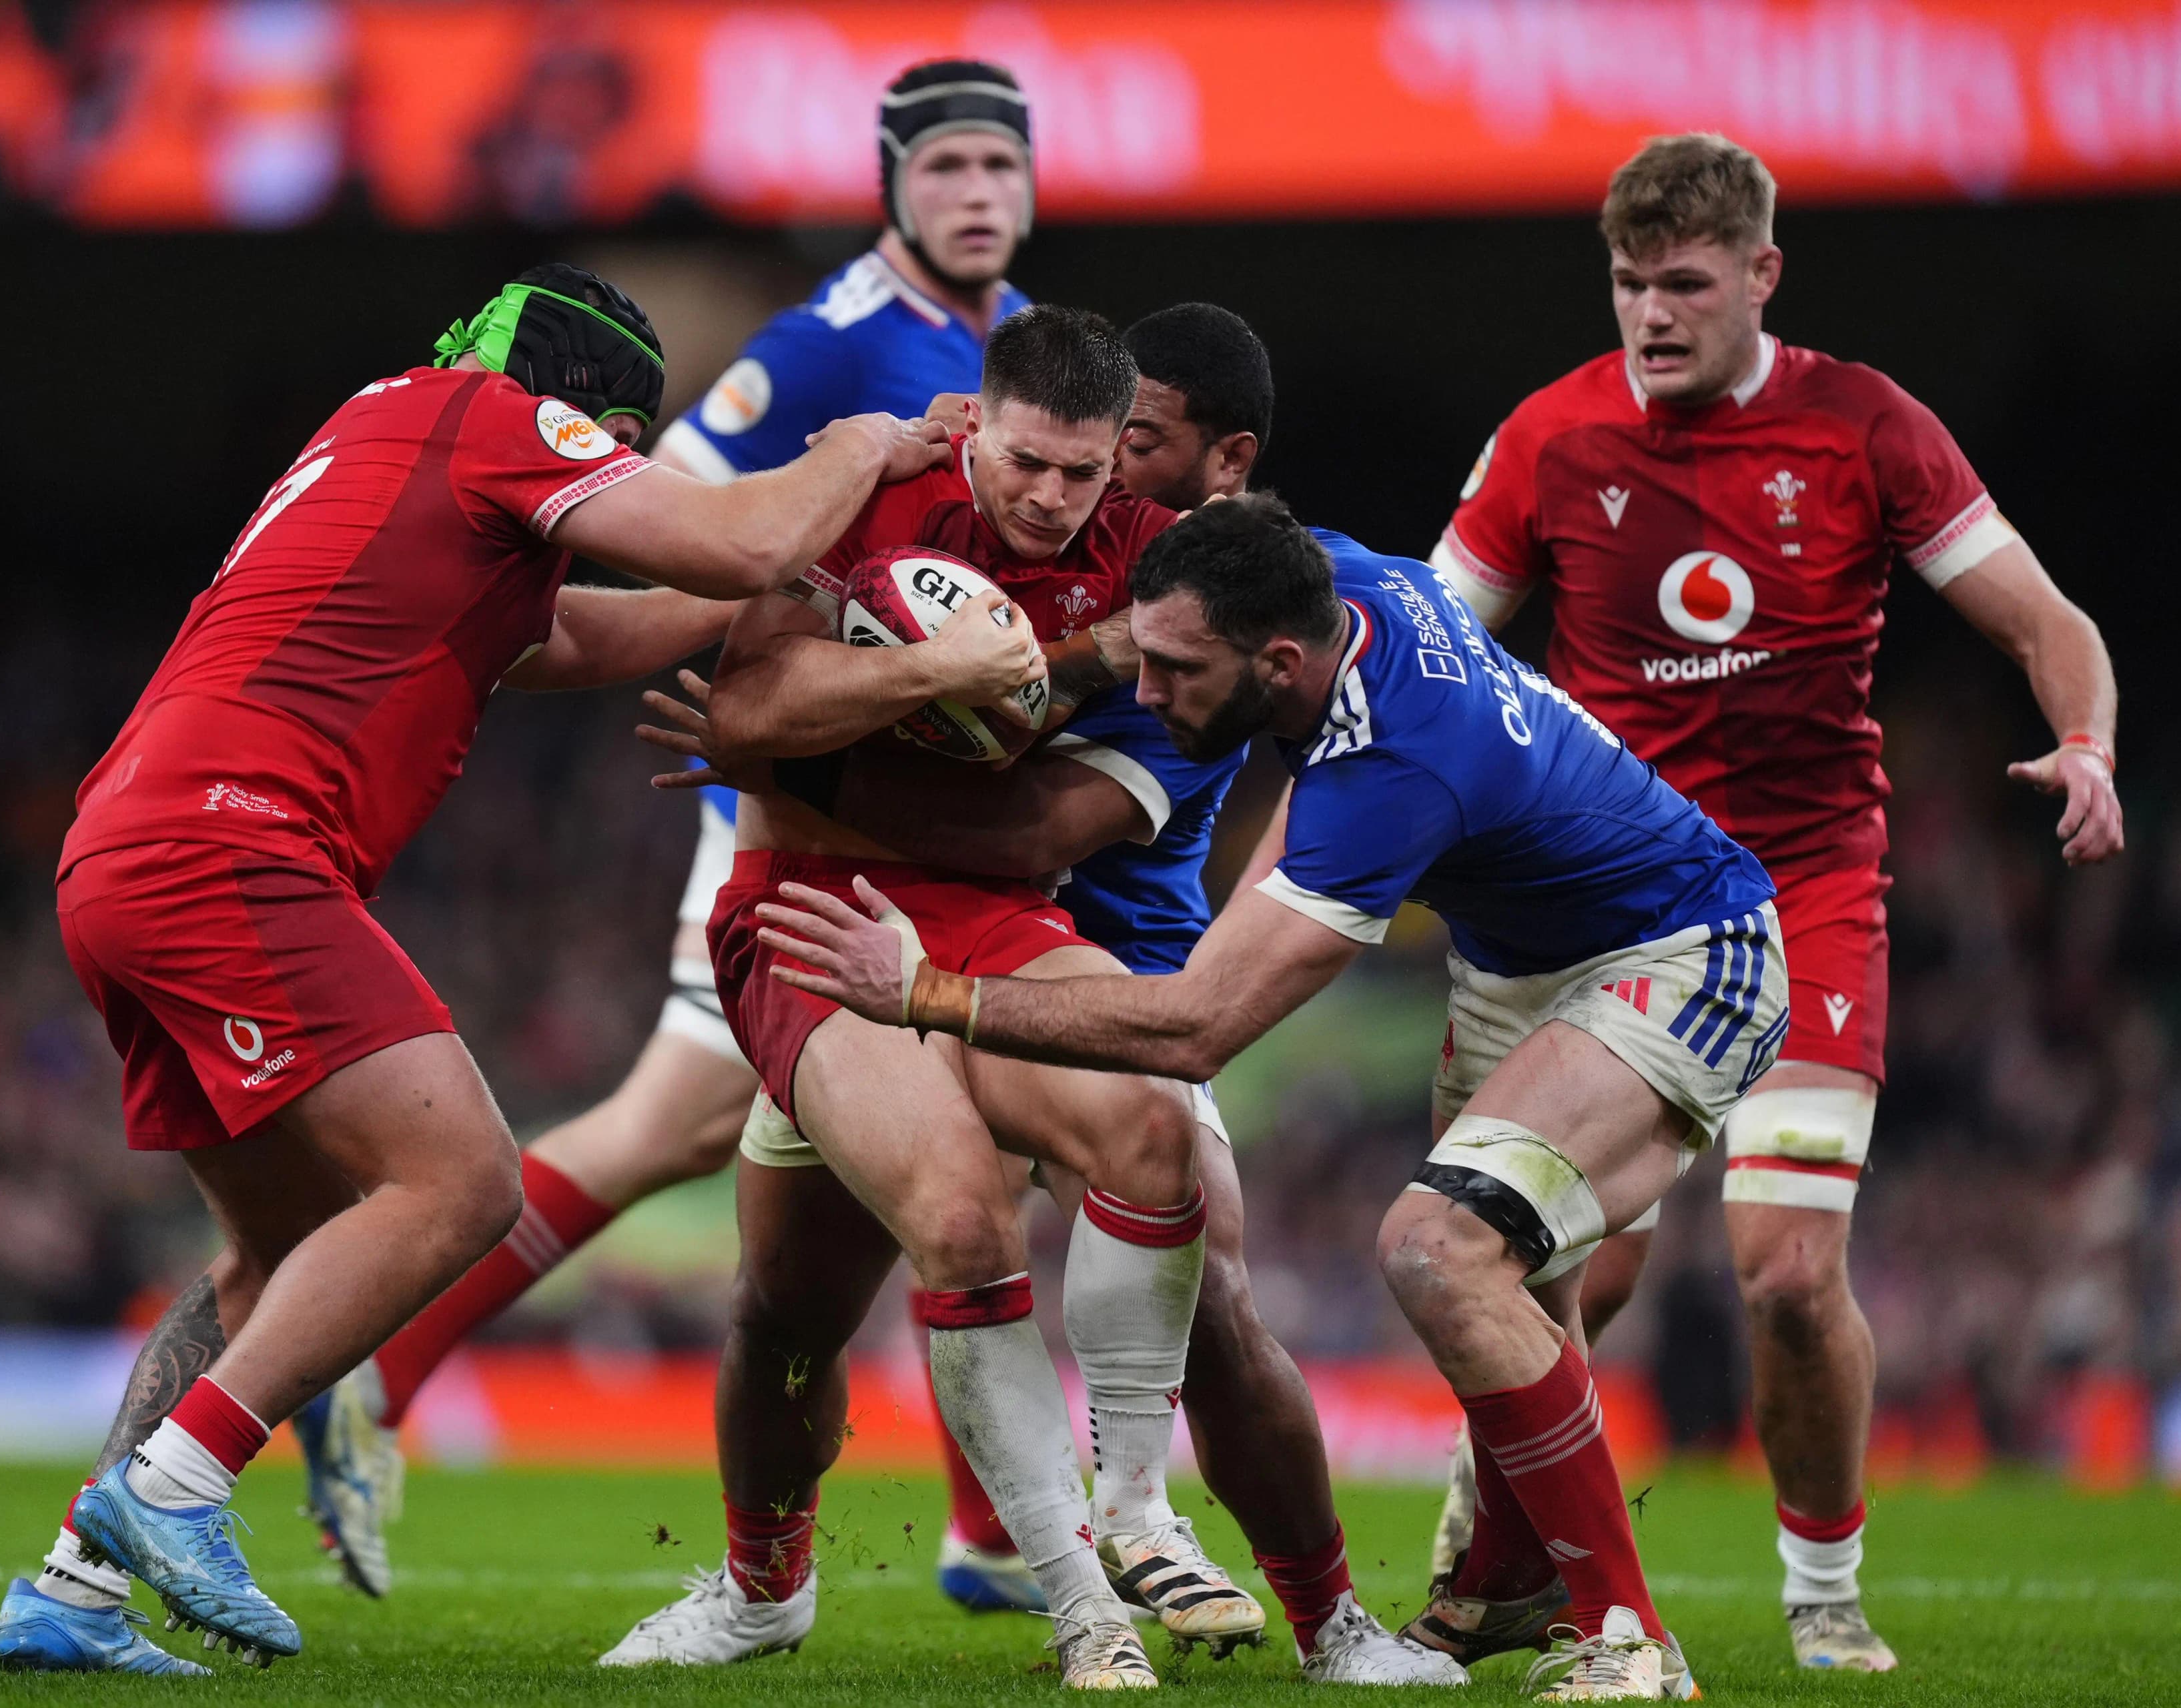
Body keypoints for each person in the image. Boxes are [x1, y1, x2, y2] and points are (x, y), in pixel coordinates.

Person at [0, 265, 948, 1677]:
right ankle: (176, 1483)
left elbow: (568, 634)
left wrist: (791, 582)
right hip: (231, 849)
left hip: (128, 848)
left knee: (277, 1254)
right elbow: (731, 544)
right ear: (596, 412)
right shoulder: (495, 416)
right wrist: (856, 449)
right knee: (463, 1182)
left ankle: (72, 1585)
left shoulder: (394, 438)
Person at [759, 494, 1791, 1700]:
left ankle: (1629, 1636)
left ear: (1280, 662)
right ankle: (1511, 1581)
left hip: (1682, 952)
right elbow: (1250, 519)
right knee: (1521, 1293)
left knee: (1439, 1253)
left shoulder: (1395, 767)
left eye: (1180, 671)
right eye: (1149, 657)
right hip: (1527, 961)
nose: (1149, 695)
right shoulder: (1338, 574)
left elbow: (1196, 1029)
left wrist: (930, 992)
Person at [293, 57, 1045, 1613]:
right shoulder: (824, 345)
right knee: (702, 1123)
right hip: (795, 806)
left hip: (899, 797)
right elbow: (653, 507)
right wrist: (748, 689)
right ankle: (370, 1367)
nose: (978, 195)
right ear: (894, 183)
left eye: (1000, 168)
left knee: (928, 1109)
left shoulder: (1006, 342)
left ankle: (983, 1527)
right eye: (949, 167)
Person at [633, 304, 1464, 1684]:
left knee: (1164, 1158)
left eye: (1090, 471)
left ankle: (1154, 1581)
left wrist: (1019, 666)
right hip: (808, 913)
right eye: (1033, 462)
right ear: (981, 419)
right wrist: (937, 670)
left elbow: (1020, 828)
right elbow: (745, 711)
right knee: (797, 1304)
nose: (1060, 497)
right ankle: (760, 1586)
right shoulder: (871, 488)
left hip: (1025, 916)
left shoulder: (1169, 582)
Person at [1422, 133, 2124, 1673]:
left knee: (1790, 1273)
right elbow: (1426, 655)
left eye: (1683, 283)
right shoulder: (1549, 437)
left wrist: (2086, 741)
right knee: (1563, 1270)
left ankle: (1823, 1585)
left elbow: (2046, 619)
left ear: (1761, 275)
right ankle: (1507, 1555)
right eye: (1628, 284)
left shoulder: (1866, 427)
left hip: (1805, 892)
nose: (1651, 314)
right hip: (1609, 903)